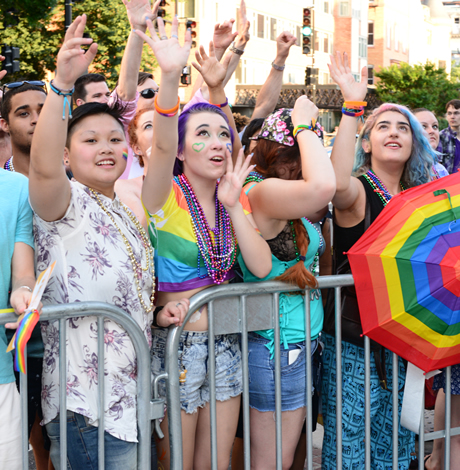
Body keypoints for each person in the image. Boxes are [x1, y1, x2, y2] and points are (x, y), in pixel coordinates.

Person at [28, 15, 188, 468]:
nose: (106, 146)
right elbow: (41, 167)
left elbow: (161, 151)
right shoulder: (63, 201)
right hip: (86, 407)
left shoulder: (125, 202)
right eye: (90, 139)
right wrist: (61, 84)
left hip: (132, 401)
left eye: (115, 139)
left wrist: (171, 78)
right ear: (66, 153)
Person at [136, 17, 272, 470]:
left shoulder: (236, 195)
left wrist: (235, 207)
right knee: (178, 462)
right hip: (178, 346)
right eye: (202, 135)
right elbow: (156, 149)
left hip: (228, 340)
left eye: (222, 135)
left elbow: (260, 266)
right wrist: (171, 78)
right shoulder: (164, 194)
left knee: (215, 463)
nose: (216, 143)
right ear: (179, 148)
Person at [321, 52, 436, 470]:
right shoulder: (358, 191)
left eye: (403, 127)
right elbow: (335, 185)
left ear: (414, 143)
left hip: (404, 338)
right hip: (356, 342)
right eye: (382, 126)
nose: (394, 132)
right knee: (352, 449)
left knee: (400, 447)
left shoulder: (420, 199)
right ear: (366, 143)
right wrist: (353, 107)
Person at [235, 102, 335, 470]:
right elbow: (326, 185)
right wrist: (305, 126)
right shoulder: (262, 192)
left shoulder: (278, 191)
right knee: (272, 459)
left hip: (293, 344)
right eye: (297, 153)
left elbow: (333, 179)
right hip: (280, 347)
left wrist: (352, 109)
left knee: (284, 455)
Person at [74, 0, 161, 180]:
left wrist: (137, 31)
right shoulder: (118, 125)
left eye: (158, 91)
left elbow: (124, 93)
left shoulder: (120, 119)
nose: (106, 100)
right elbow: (125, 92)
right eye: (147, 93)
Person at [115, 106, 154, 229]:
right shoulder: (123, 187)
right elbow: (144, 236)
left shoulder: (187, 186)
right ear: (137, 148)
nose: (160, 129)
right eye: (149, 126)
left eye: (164, 124)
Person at [0, 80, 47, 176]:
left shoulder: (77, 178)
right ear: (5, 125)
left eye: (44, 111)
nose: (36, 120)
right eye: (24, 114)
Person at [413, 108, 449, 178]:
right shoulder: (399, 171)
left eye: (434, 126)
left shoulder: (441, 170)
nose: (432, 131)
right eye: (423, 126)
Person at [436, 99, 460, 174]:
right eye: (449, 113)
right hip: (449, 183)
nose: (452, 117)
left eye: (456, 113)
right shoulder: (441, 137)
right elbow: (437, 167)